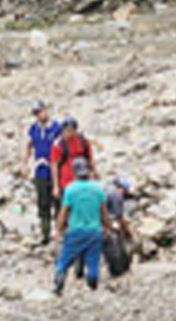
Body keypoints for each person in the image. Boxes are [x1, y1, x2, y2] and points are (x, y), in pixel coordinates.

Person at [52, 158, 111, 296]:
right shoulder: (98, 189)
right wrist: (107, 227)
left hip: (75, 231)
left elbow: (64, 212)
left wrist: (58, 230)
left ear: (74, 172)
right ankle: (92, 280)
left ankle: (60, 282)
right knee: (93, 259)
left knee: (65, 259)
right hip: (94, 231)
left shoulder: (70, 190)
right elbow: (104, 212)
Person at [23, 100, 63, 245]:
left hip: (56, 169)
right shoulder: (34, 129)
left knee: (58, 202)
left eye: (41, 111)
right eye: (37, 113)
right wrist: (25, 163)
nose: (40, 115)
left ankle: (60, 232)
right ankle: (45, 233)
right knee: (43, 202)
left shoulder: (56, 128)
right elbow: (29, 145)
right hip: (40, 169)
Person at [50, 117, 94, 195]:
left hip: (82, 180)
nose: (66, 133)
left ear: (75, 131)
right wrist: (55, 186)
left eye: (69, 130)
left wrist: (93, 173)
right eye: (64, 130)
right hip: (66, 182)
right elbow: (54, 165)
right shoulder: (58, 144)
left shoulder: (83, 141)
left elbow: (89, 157)